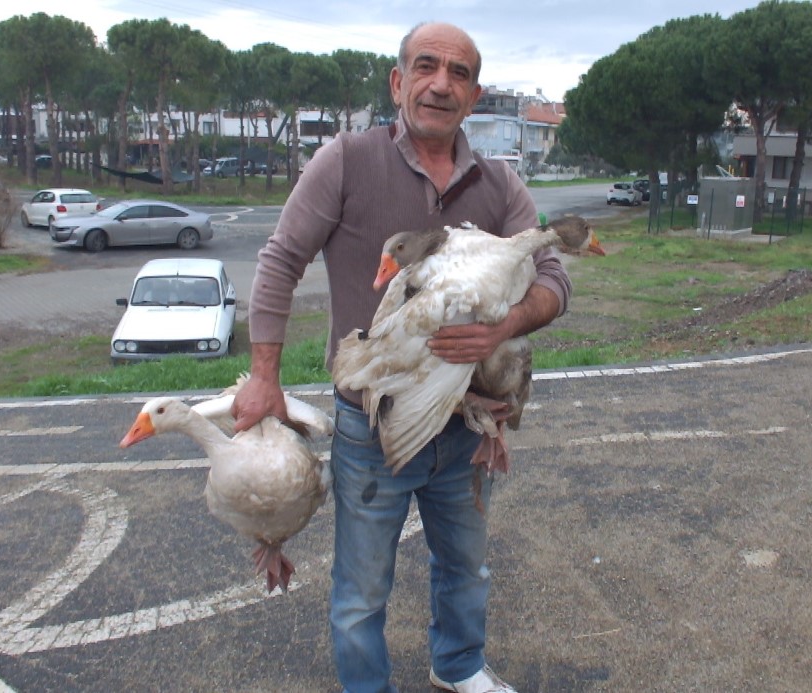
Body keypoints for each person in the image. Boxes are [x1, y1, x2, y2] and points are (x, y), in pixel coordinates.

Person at [231, 21, 571, 693]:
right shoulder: (346, 161)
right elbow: (279, 263)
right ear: (398, 81)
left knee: (466, 567)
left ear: (474, 96)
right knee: (362, 585)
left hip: (465, 424)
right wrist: (264, 378)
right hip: (371, 421)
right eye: (426, 66)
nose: (441, 83)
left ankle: (460, 666)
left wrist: (502, 325)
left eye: (459, 73)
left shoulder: (500, 185)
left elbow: (555, 278)